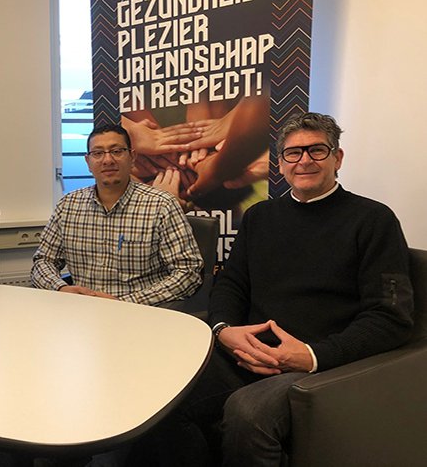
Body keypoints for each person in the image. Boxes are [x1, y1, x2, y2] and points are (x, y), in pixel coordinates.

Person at [147, 112, 414, 466]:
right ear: (281, 163)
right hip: (248, 352)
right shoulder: (259, 217)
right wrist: (224, 330)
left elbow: (390, 317)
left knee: (247, 413)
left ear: (337, 158)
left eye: (317, 150)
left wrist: (312, 355)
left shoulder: (374, 220)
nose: (304, 160)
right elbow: (231, 283)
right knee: (163, 392)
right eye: (293, 152)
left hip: (319, 365)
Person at [31, 123, 203, 307]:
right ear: (88, 162)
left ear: (132, 157)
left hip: (140, 312)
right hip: (83, 311)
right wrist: (60, 288)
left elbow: (188, 272)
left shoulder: (161, 205)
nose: (107, 160)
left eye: (117, 151)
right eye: (98, 153)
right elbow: (43, 261)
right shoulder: (68, 206)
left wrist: (124, 302)